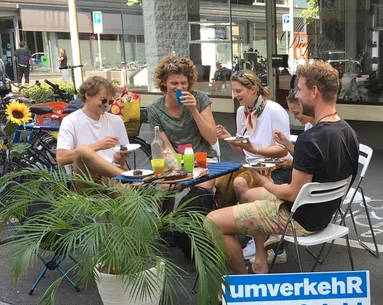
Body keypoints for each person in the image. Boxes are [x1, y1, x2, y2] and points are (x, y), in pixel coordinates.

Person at [207, 60, 359, 275]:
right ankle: (261, 258)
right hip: (322, 214)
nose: (296, 95)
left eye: (299, 89)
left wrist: (264, 181)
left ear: (314, 92)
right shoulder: (348, 132)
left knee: (213, 221)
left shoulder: (310, 137)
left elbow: (291, 192)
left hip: (296, 218)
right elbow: (318, 166)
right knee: (249, 195)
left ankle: (243, 286)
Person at [214, 69, 290, 205]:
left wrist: (255, 150)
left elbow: (284, 149)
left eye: (238, 91)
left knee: (239, 182)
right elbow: (243, 150)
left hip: (272, 166)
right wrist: (228, 137)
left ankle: (244, 220)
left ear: (253, 90)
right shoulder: (241, 111)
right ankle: (222, 218)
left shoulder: (274, 110)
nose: (235, 95)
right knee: (221, 181)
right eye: (234, 91)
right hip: (251, 164)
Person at [146, 55, 217, 191]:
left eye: (183, 83)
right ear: (163, 83)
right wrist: (177, 172)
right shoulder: (155, 109)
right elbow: (165, 145)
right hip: (176, 162)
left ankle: (193, 212)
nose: (180, 88)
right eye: (174, 83)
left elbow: (212, 139)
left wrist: (194, 110)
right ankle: (167, 213)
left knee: (201, 189)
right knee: (166, 189)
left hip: (204, 160)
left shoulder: (200, 98)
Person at [56, 76, 129, 180]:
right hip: (89, 178)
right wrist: (99, 146)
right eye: (104, 100)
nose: (107, 105)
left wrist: (119, 158)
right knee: (82, 150)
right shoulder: (71, 121)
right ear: (88, 94)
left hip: (115, 174)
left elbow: (120, 162)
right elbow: (61, 158)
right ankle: (130, 178)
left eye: (110, 102)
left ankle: (128, 179)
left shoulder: (116, 120)